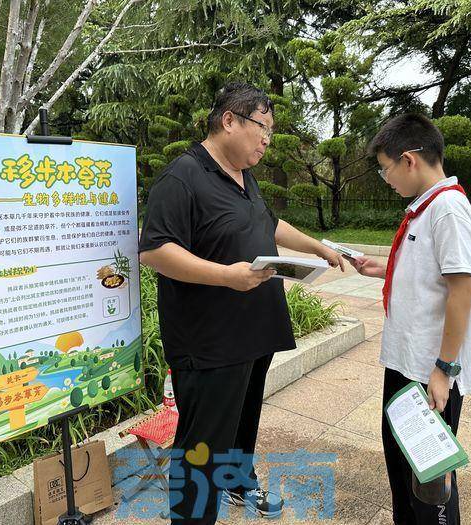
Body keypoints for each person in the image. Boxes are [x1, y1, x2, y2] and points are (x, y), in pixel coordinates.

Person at [138, 82, 347, 524]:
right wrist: (227, 277)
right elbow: (155, 251)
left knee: (238, 432)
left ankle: (236, 486)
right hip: (210, 343)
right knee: (201, 449)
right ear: (229, 120)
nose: (267, 140)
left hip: (253, 335)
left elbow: (268, 224)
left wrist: (317, 248)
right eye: (263, 127)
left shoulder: (243, 176)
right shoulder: (182, 177)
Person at [350, 114, 471, 525]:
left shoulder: (447, 209)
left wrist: (443, 369)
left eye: (385, 169)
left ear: (409, 160)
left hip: (429, 371)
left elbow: (461, 290)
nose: (386, 178)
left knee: (430, 482)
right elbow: (428, 272)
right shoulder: (427, 206)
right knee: (402, 466)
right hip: (407, 363)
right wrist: (383, 267)